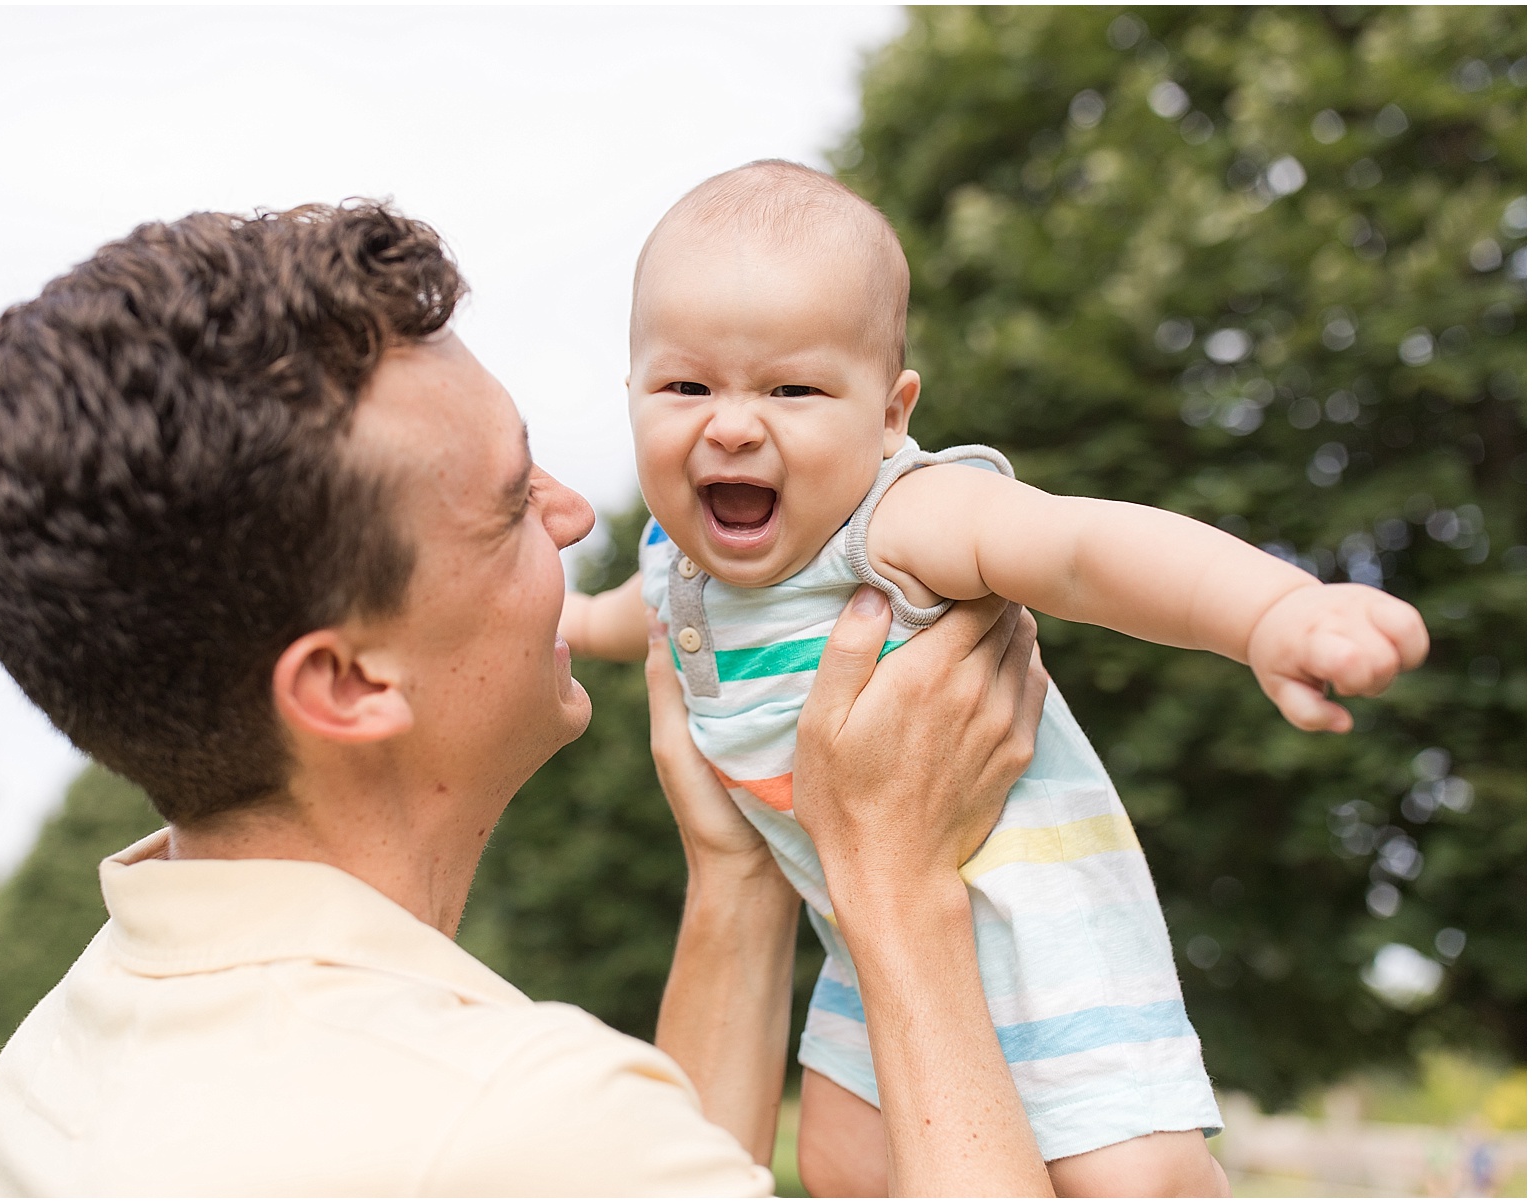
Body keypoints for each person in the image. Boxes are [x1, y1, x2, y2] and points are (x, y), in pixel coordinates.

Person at [0, 201, 1057, 1195]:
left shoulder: (57, 1056)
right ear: (350, 684)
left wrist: (737, 872)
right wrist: (897, 893)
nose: (572, 515)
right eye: (513, 502)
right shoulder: (514, 1119)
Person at [559, 160, 1430, 1196]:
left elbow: (1080, 549)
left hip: (1044, 930)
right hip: (861, 930)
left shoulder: (899, 523)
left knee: (1129, 1182)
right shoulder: (674, 565)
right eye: (686, 386)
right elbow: (603, 621)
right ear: (632, 392)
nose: (734, 423)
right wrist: (539, 616)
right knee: (842, 1164)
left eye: (793, 389)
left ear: (889, 415)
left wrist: (1270, 611)